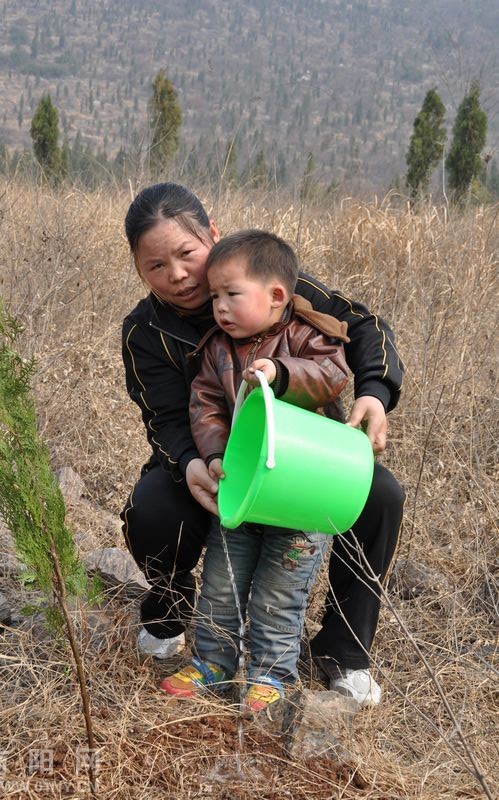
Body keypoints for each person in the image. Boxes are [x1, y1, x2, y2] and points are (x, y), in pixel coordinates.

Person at [121, 182, 405, 706]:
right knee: (153, 508)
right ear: (138, 269)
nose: (178, 275)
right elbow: (166, 417)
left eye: (187, 253)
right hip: (218, 464)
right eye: (155, 265)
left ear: (212, 235)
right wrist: (193, 463)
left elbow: (361, 327)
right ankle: (170, 617)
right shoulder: (147, 331)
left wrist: (375, 392)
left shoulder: (272, 282)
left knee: (380, 494)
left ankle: (344, 654)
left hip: (305, 459)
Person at [158, 229, 351, 711]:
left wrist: (281, 373)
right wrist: (217, 454)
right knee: (221, 583)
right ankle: (213, 663)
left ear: (276, 296)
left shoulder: (308, 335)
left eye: (231, 294)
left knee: (278, 593)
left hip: (300, 493)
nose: (218, 306)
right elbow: (205, 406)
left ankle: (270, 675)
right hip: (243, 491)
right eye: (216, 295)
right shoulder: (217, 349)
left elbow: (332, 375)